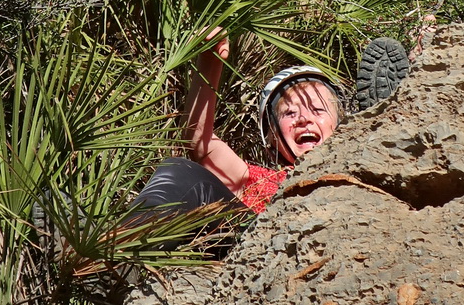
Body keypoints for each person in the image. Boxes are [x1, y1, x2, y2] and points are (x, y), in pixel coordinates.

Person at [128, 32, 351, 219]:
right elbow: (198, 141)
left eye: (318, 110)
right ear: (271, 137)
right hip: (259, 250)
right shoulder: (257, 180)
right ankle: (124, 251)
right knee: (178, 171)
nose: (303, 119)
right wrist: (210, 61)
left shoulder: (357, 176)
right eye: (289, 113)